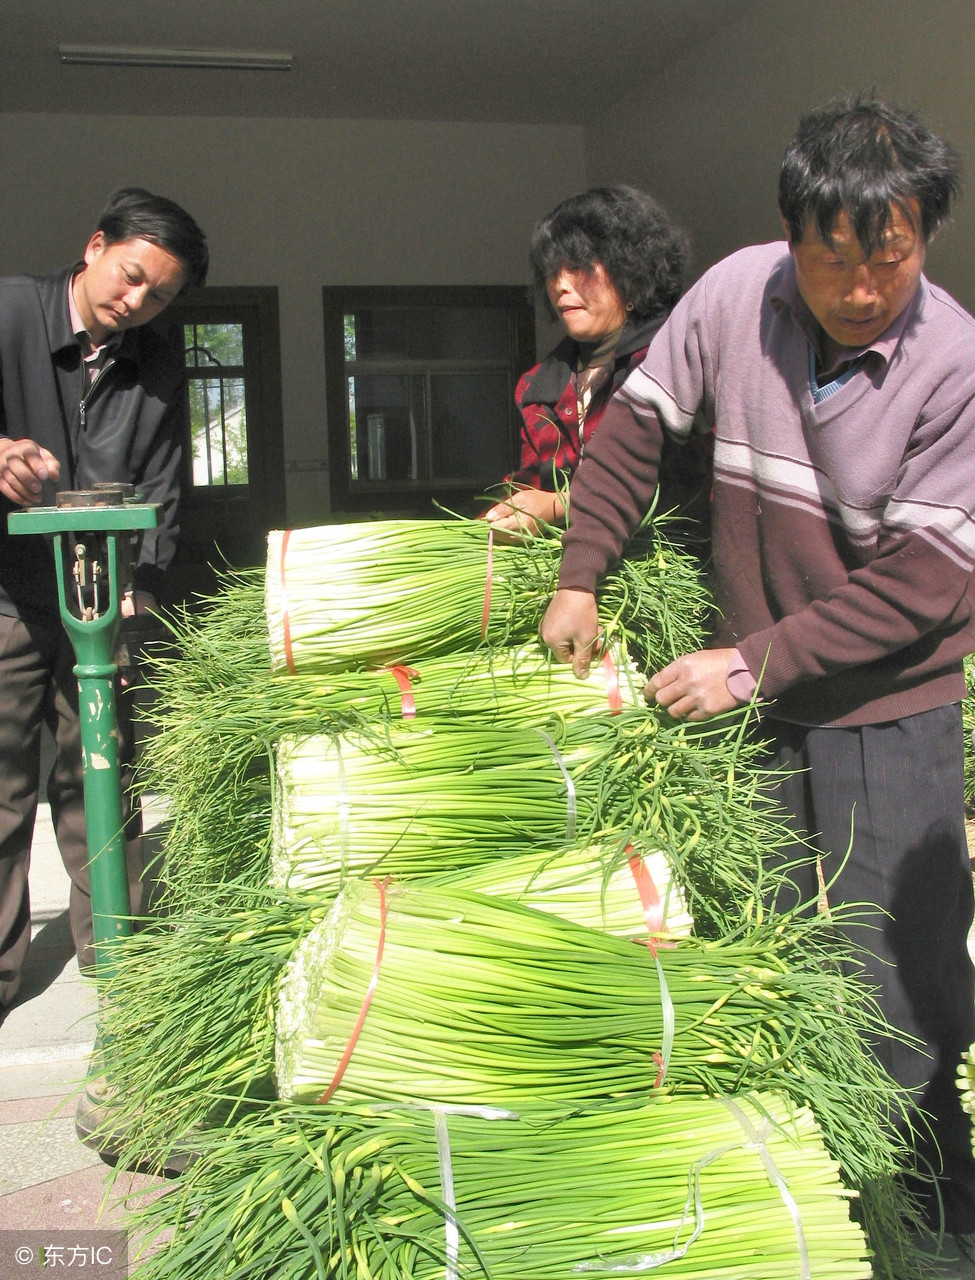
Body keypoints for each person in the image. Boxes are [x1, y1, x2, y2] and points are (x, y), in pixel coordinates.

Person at [539, 95, 975, 1248]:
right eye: (837, 259)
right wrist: (583, 570)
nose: (865, 287)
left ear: (923, 236)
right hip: (756, 704)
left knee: (897, 973)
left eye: (893, 255)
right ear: (792, 236)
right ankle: (814, 1198)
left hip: (889, 707)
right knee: (764, 939)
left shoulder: (958, 364)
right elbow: (638, 426)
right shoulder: (735, 296)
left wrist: (752, 661)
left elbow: (929, 581)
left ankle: (929, 1215)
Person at [0, 186, 208, 1011]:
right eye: (129, 279)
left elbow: (162, 486)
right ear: (93, 247)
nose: (135, 303)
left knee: (104, 772)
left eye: (156, 296)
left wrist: (144, 587)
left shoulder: (153, 359)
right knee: (4, 779)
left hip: (100, 597)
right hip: (8, 597)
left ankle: (117, 956)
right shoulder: (10, 312)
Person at [483, 185, 706, 535]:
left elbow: (677, 487)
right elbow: (531, 486)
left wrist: (559, 506)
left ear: (629, 268)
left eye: (577, 266)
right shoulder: (536, 386)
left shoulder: (677, 359)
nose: (560, 285)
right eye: (552, 271)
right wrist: (501, 517)